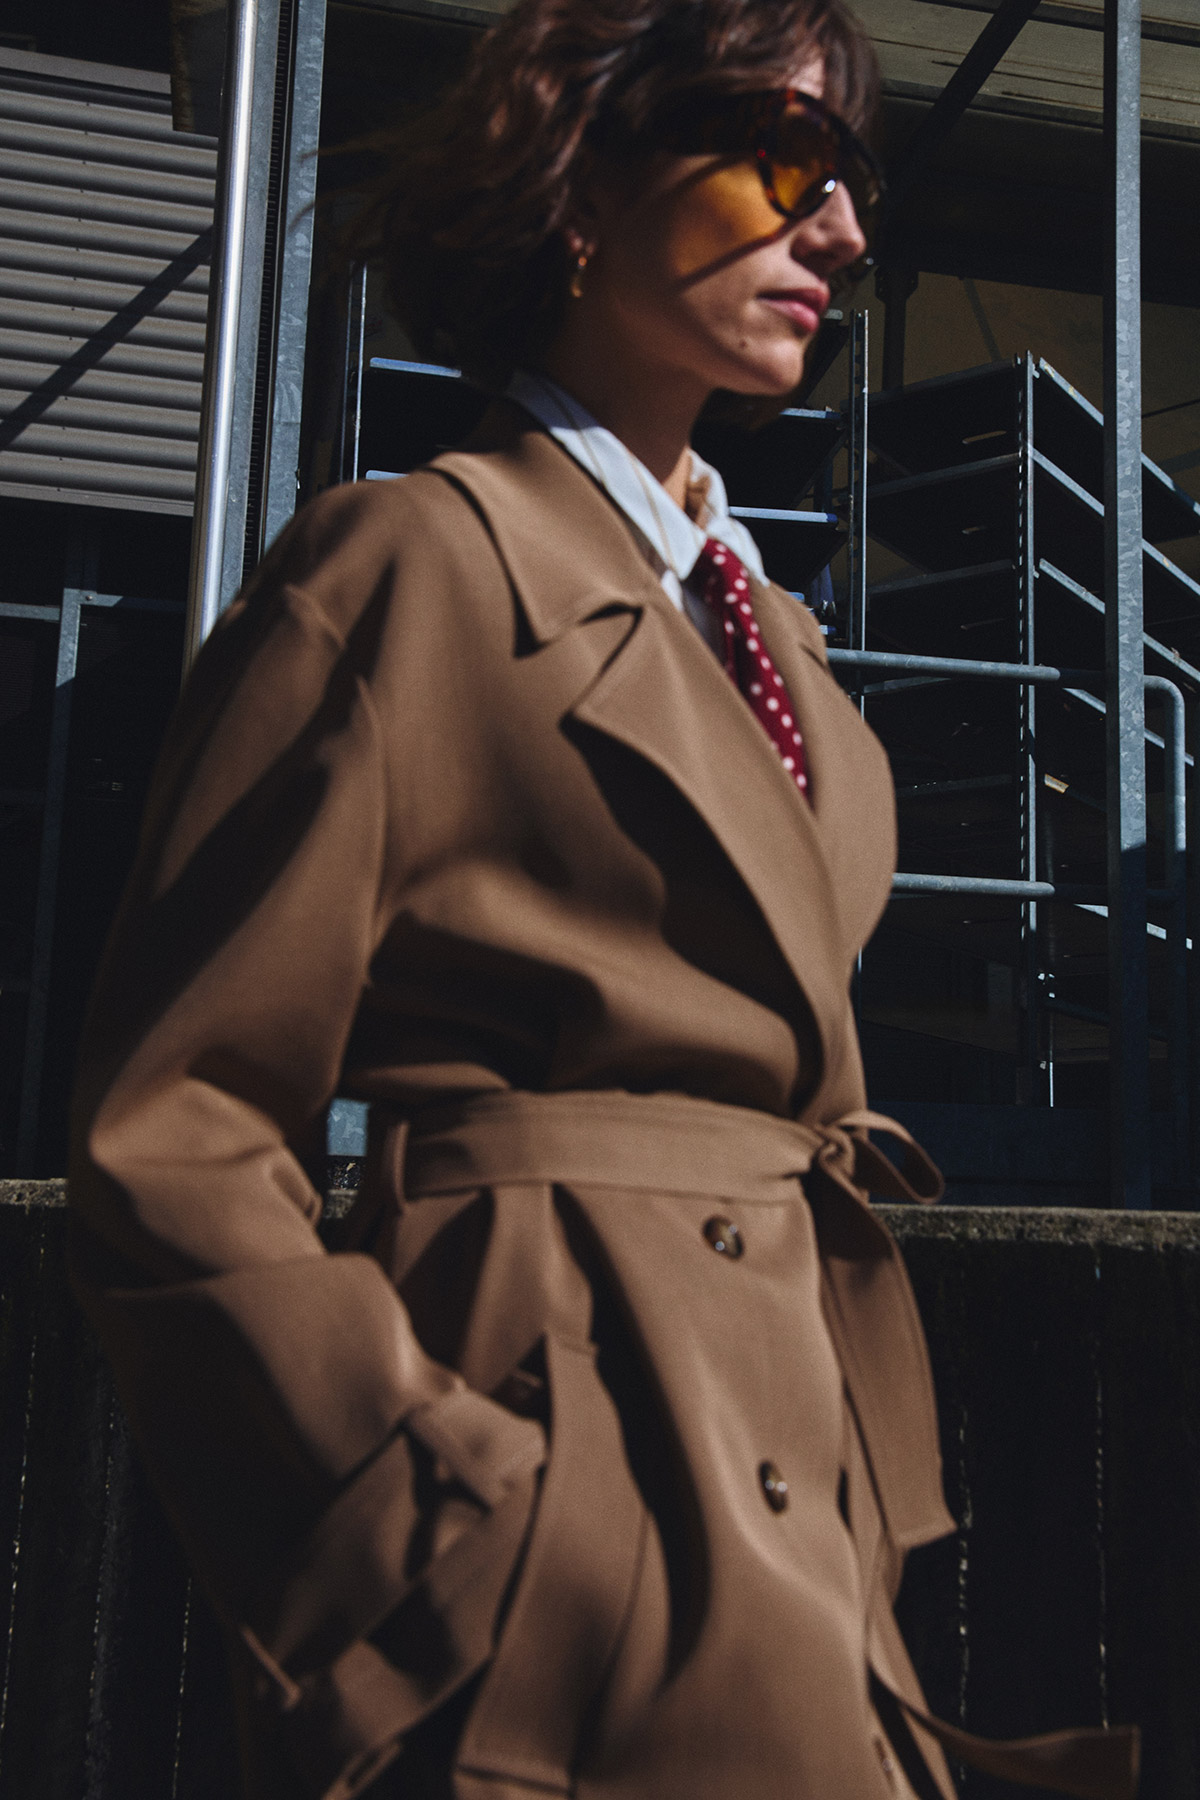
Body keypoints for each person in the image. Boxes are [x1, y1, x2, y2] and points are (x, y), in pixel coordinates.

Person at [67, 1, 1139, 1797]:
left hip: (795, 1498)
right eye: (786, 154)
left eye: (853, 177)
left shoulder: (771, 633)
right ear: (588, 167)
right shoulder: (405, 564)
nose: (847, 233)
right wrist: (429, 1532)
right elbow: (170, 1135)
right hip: (553, 1542)